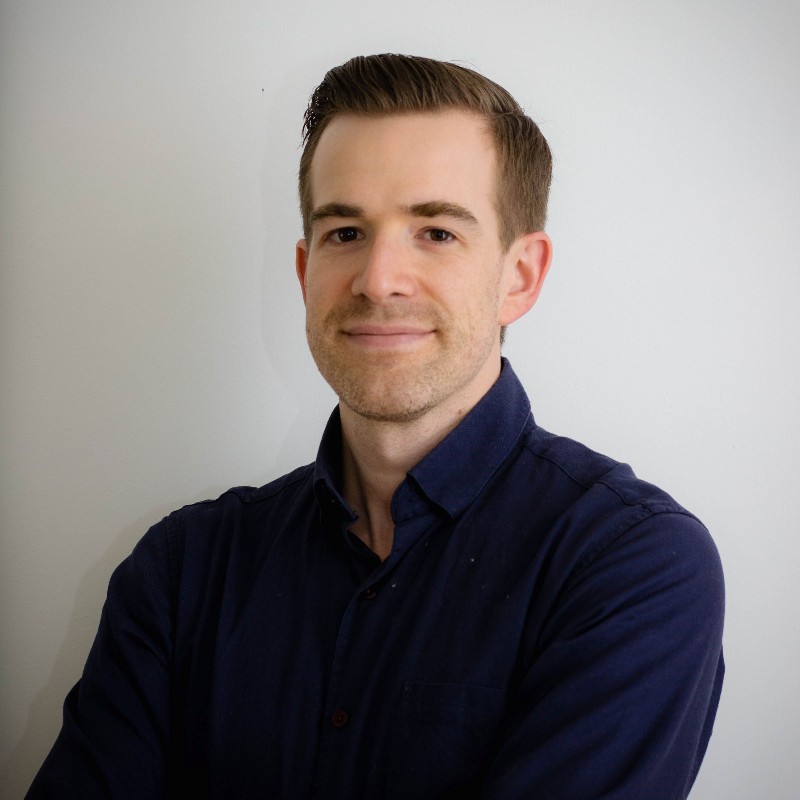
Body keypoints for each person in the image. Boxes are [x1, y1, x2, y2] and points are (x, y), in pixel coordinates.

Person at [27, 54, 724, 799]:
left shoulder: (630, 565)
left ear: (519, 277)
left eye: (436, 232)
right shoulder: (183, 570)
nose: (377, 279)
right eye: (346, 232)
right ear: (305, 271)